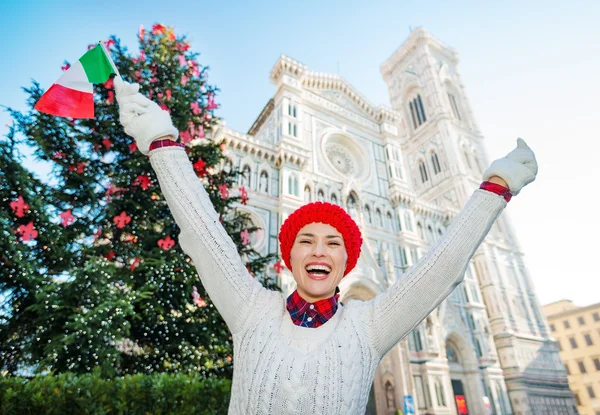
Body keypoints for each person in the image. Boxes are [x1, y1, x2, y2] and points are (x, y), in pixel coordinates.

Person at [114, 77, 537, 414]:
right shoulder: (251, 311)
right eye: (306, 240)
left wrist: (494, 189)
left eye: (333, 242)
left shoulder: (368, 327)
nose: (319, 250)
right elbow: (205, 234)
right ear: (290, 256)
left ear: (347, 259)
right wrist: (162, 143)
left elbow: (440, 270)